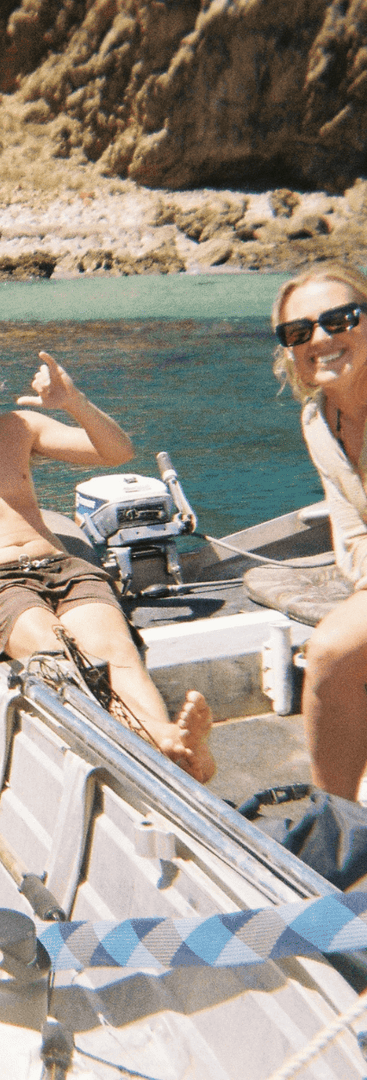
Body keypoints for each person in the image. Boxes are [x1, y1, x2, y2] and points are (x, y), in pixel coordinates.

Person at [0, 323, 215, 783]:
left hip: (61, 565)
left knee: (115, 651)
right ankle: (164, 744)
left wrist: (74, 402)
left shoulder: (19, 427)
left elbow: (116, 452)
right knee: (60, 657)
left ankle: (163, 740)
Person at [272, 263, 367, 800]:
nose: (322, 338)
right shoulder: (318, 421)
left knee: (333, 648)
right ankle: (339, 825)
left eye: (340, 319)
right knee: (330, 654)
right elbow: (350, 532)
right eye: (300, 331)